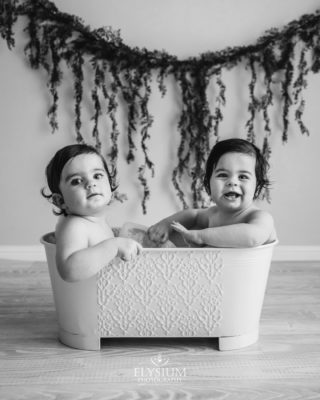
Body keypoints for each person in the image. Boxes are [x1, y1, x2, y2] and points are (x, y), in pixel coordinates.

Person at [148, 138, 277, 248]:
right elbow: (193, 215)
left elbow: (251, 237)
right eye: (223, 175)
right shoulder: (213, 214)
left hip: (247, 274)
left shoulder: (260, 217)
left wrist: (201, 236)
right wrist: (166, 224)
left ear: (257, 185)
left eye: (243, 177)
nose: (232, 182)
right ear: (208, 182)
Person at [42, 144, 142, 282]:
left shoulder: (96, 221)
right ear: (60, 200)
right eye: (76, 181)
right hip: (85, 300)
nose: (90, 183)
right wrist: (114, 246)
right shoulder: (75, 226)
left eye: (97, 175)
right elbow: (69, 270)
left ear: (110, 184)